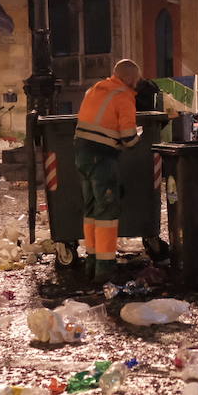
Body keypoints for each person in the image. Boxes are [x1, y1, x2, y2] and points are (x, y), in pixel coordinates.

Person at [75, 59, 142, 283]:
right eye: (137, 79)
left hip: (82, 153)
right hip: (102, 157)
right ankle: (105, 268)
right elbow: (129, 137)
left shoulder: (95, 89)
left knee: (91, 208)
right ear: (131, 78)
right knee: (107, 212)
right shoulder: (123, 96)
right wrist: (138, 140)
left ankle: (91, 261)